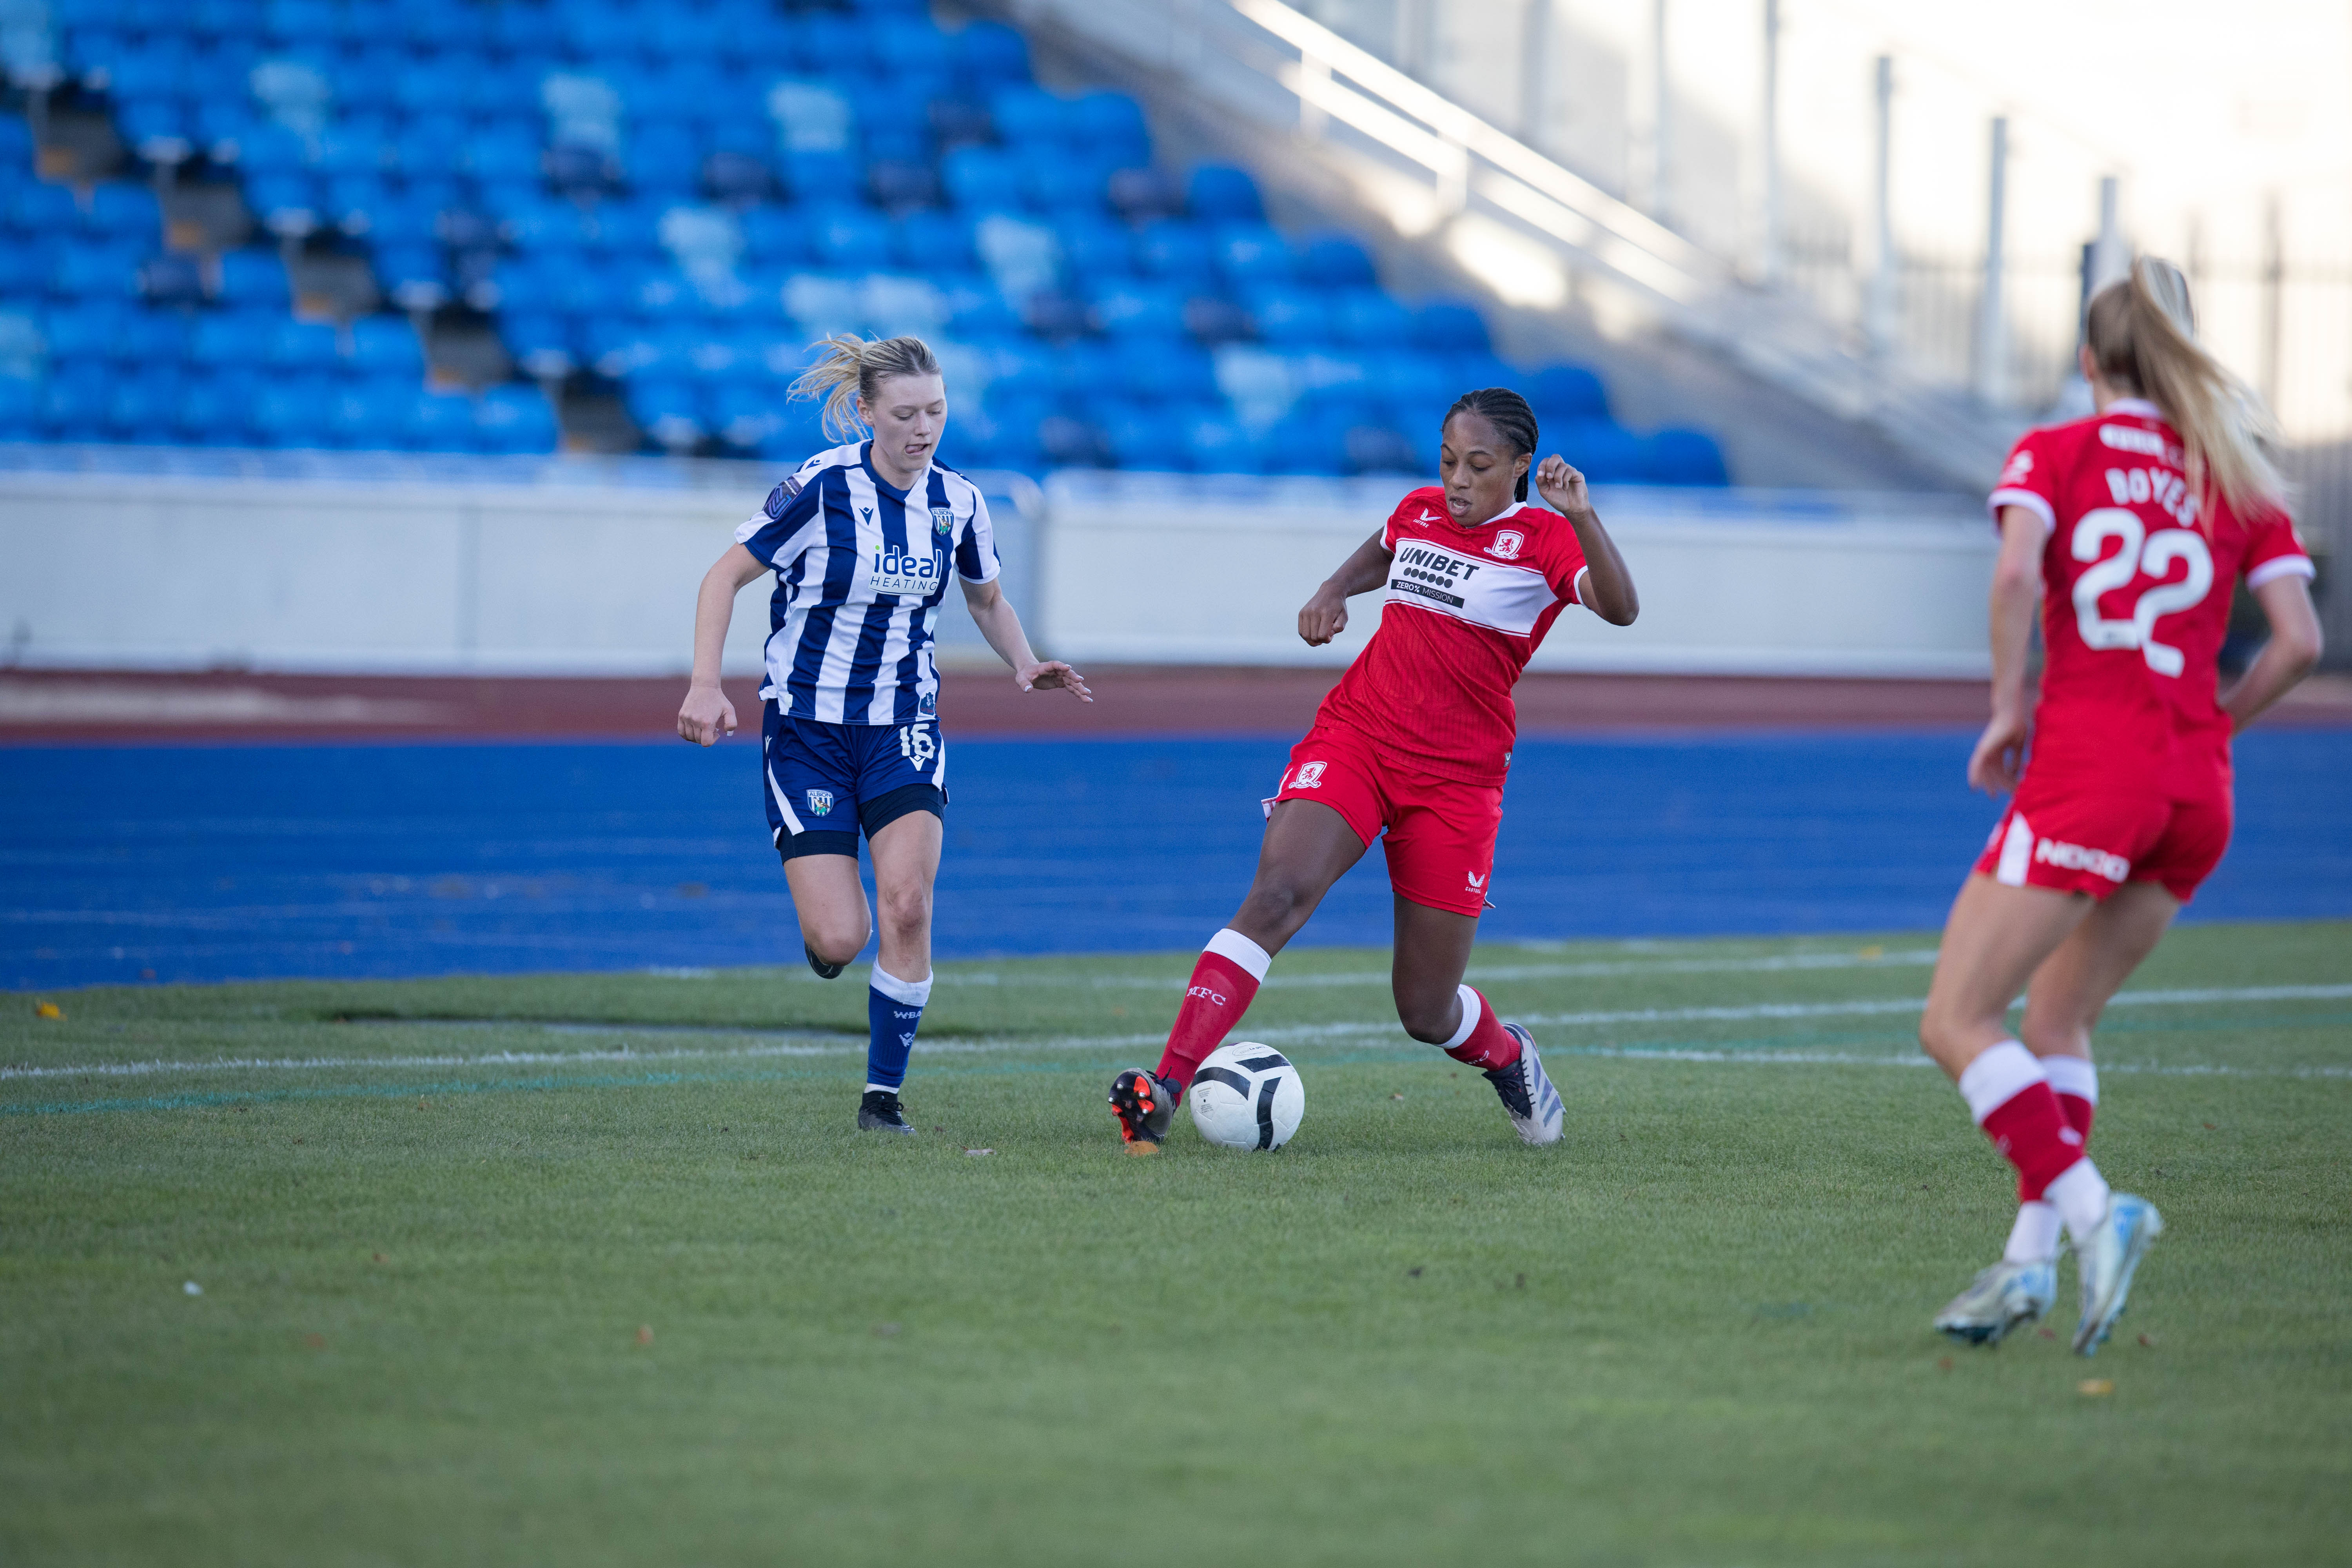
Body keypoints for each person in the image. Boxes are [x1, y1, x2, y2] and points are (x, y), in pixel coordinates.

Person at [1920, 258, 2321, 1353]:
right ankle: (2026, 1268)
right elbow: (2300, 643)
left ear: (2089, 361)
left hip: (2092, 768)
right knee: (2059, 1019)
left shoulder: (2058, 452)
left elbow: (2014, 581)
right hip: (2197, 787)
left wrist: (2008, 707)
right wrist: (2213, 728)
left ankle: (2100, 1214)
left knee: (1956, 1020)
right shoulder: (2234, 473)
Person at [1106, 387, 1640, 1152]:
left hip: (1458, 781)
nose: (1457, 480)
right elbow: (1387, 546)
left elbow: (1621, 608)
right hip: (1358, 737)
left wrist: (1583, 514)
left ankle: (1508, 1055)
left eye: (1479, 466)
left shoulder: (1547, 540)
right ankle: (1165, 1085)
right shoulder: (1421, 509)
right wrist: (1332, 589)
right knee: (1279, 892)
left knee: (1424, 1008)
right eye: (1450, 460)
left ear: (1521, 467)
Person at [676, 334, 1091, 1134]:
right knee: (843, 933)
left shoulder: (960, 502)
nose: (923, 428)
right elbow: (722, 576)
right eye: (905, 413)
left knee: (907, 903)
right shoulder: (818, 488)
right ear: (865, 414)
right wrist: (705, 682)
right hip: (808, 733)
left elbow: (985, 598)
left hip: (904, 726)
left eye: (936, 410)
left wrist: (1025, 659)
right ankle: (828, 943)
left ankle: (882, 1100)